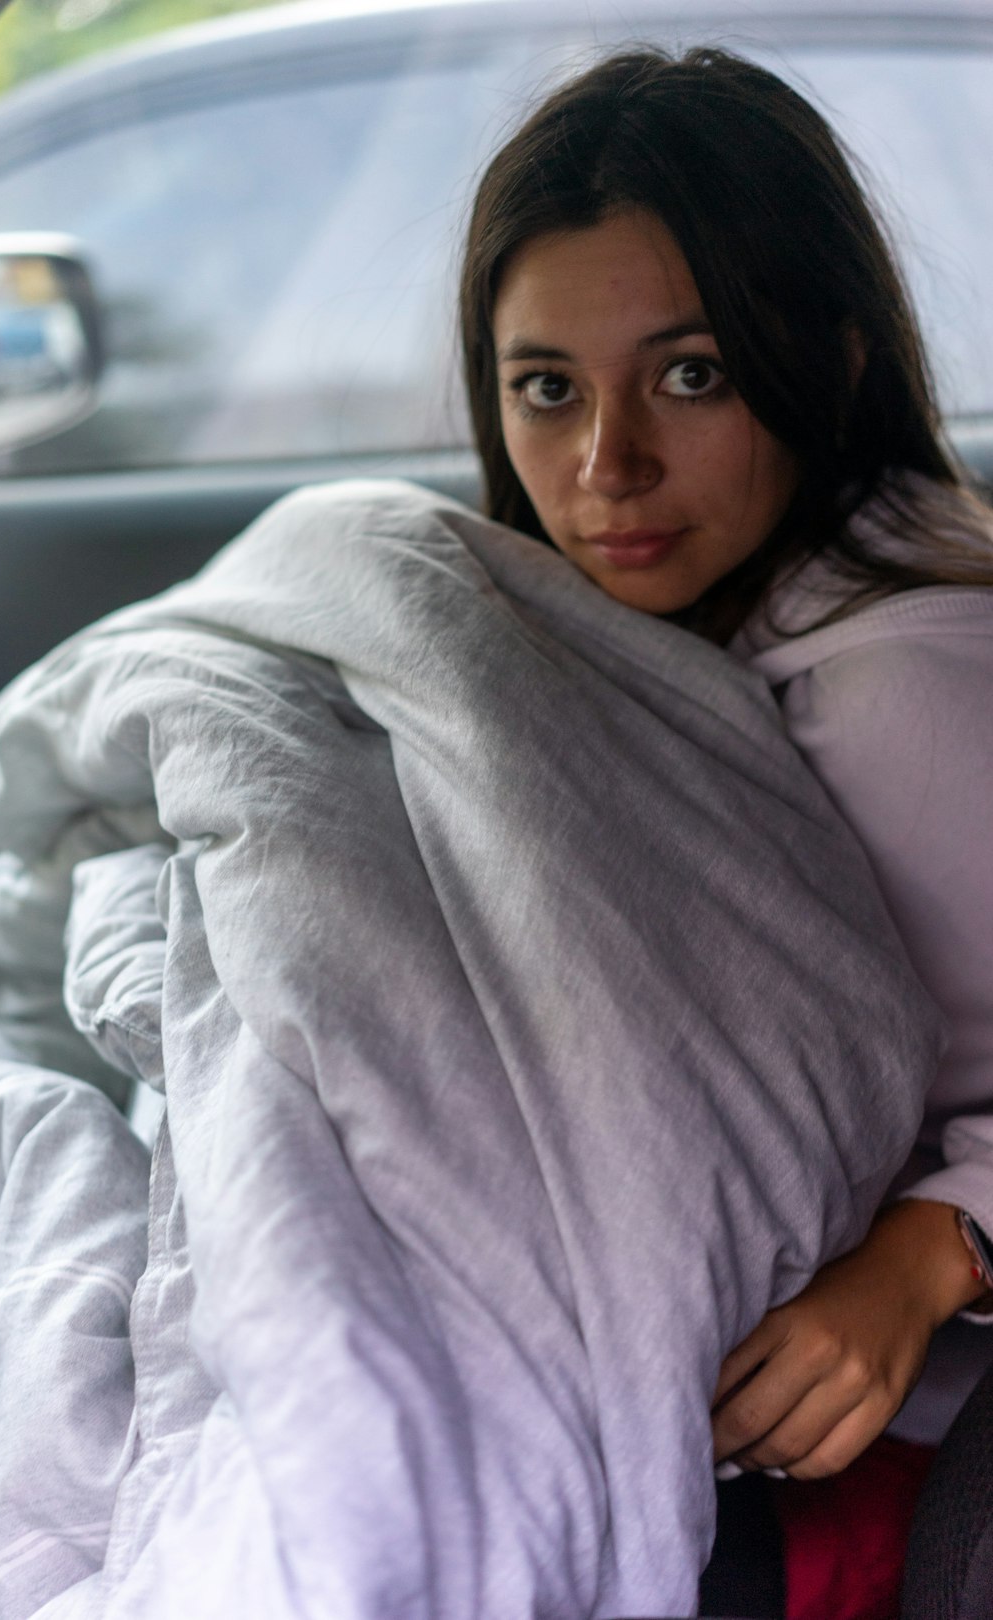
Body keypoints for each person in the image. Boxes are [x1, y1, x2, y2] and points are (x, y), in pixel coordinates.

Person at [457, 44, 993, 1620]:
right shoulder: (712, 617)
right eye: (547, 388)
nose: (604, 467)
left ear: (823, 362)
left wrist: (932, 1251)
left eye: (690, 375)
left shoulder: (898, 688)